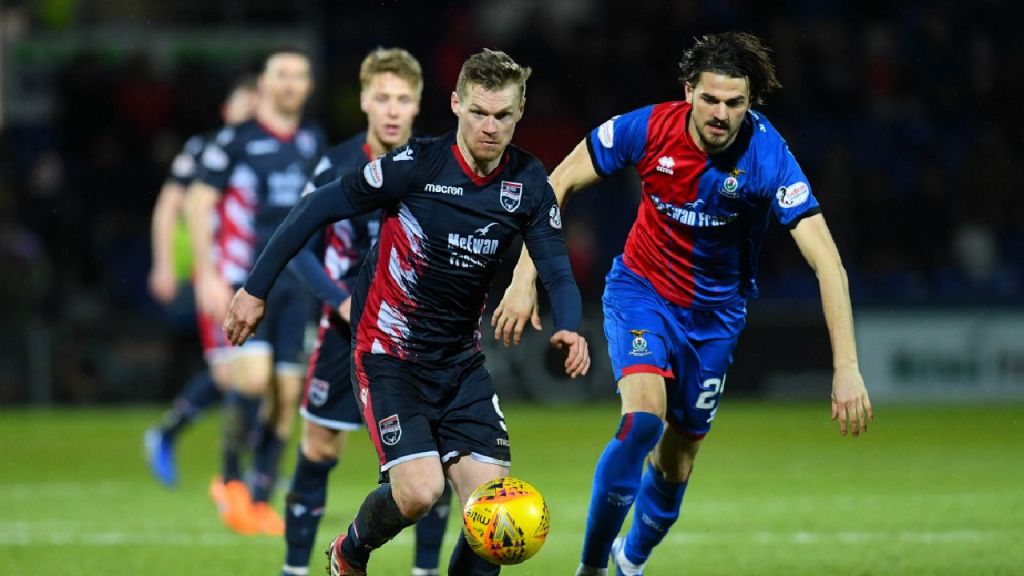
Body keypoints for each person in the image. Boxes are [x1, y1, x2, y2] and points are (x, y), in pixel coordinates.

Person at [490, 31, 874, 575]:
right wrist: (524, 276)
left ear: (750, 101)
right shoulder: (648, 128)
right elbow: (558, 183)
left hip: (715, 319)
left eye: (735, 103)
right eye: (710, 99)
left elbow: (828, 263)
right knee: (643, 422)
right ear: (688, 91)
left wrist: (847, 367)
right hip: (641, 292)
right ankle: (592, 568)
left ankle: (630, 560)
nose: (721, 114)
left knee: (676, 464)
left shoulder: (768, 155)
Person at [223, 48, 591, 576]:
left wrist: (570, 328)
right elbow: (315, 207)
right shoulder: (417, 165)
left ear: (520, 112)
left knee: (495, 513)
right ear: (456, 104)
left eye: (502, 115)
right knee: (419, 492)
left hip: (460, 364)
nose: (490, 127)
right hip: (389, 355)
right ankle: (349, 552)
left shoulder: (528, 182)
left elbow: (555, 266)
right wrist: (254, 289)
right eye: (478, 112)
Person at [280, 47, 453, 576]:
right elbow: (298, 246)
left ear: (418, 103)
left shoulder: (438, 166)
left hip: (415, 334)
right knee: (319, 448)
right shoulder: (337, 164)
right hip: (345, 331)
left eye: (402, 98)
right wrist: (339, 300)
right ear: (363, 101)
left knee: (435, 457)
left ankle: (425, 571)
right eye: (382, 98)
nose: (392, 109)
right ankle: (294, 570)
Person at [187, 46, 325, 535]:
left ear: (308, 86)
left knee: (286, 396)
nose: (289, 83)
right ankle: (229, 480)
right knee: (250, 381)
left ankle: (262, 498)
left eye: (298, 75)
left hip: (298, 283)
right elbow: (198, 201)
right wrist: (207, 273)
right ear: (264, 84)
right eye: (280, 74)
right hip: (245, 279)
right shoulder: (236, 140)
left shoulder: (312, 141)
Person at [144, 75, 258, 488]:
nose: (252, 113)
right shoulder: (203, 149)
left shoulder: (271, 150)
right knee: (234, 373)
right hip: (218, 275)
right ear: (227, 111)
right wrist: (163, 264)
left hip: (262, 274)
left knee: (257, 373)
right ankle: (232, 471)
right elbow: (168, 205)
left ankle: (248, 470)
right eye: (245, 105)